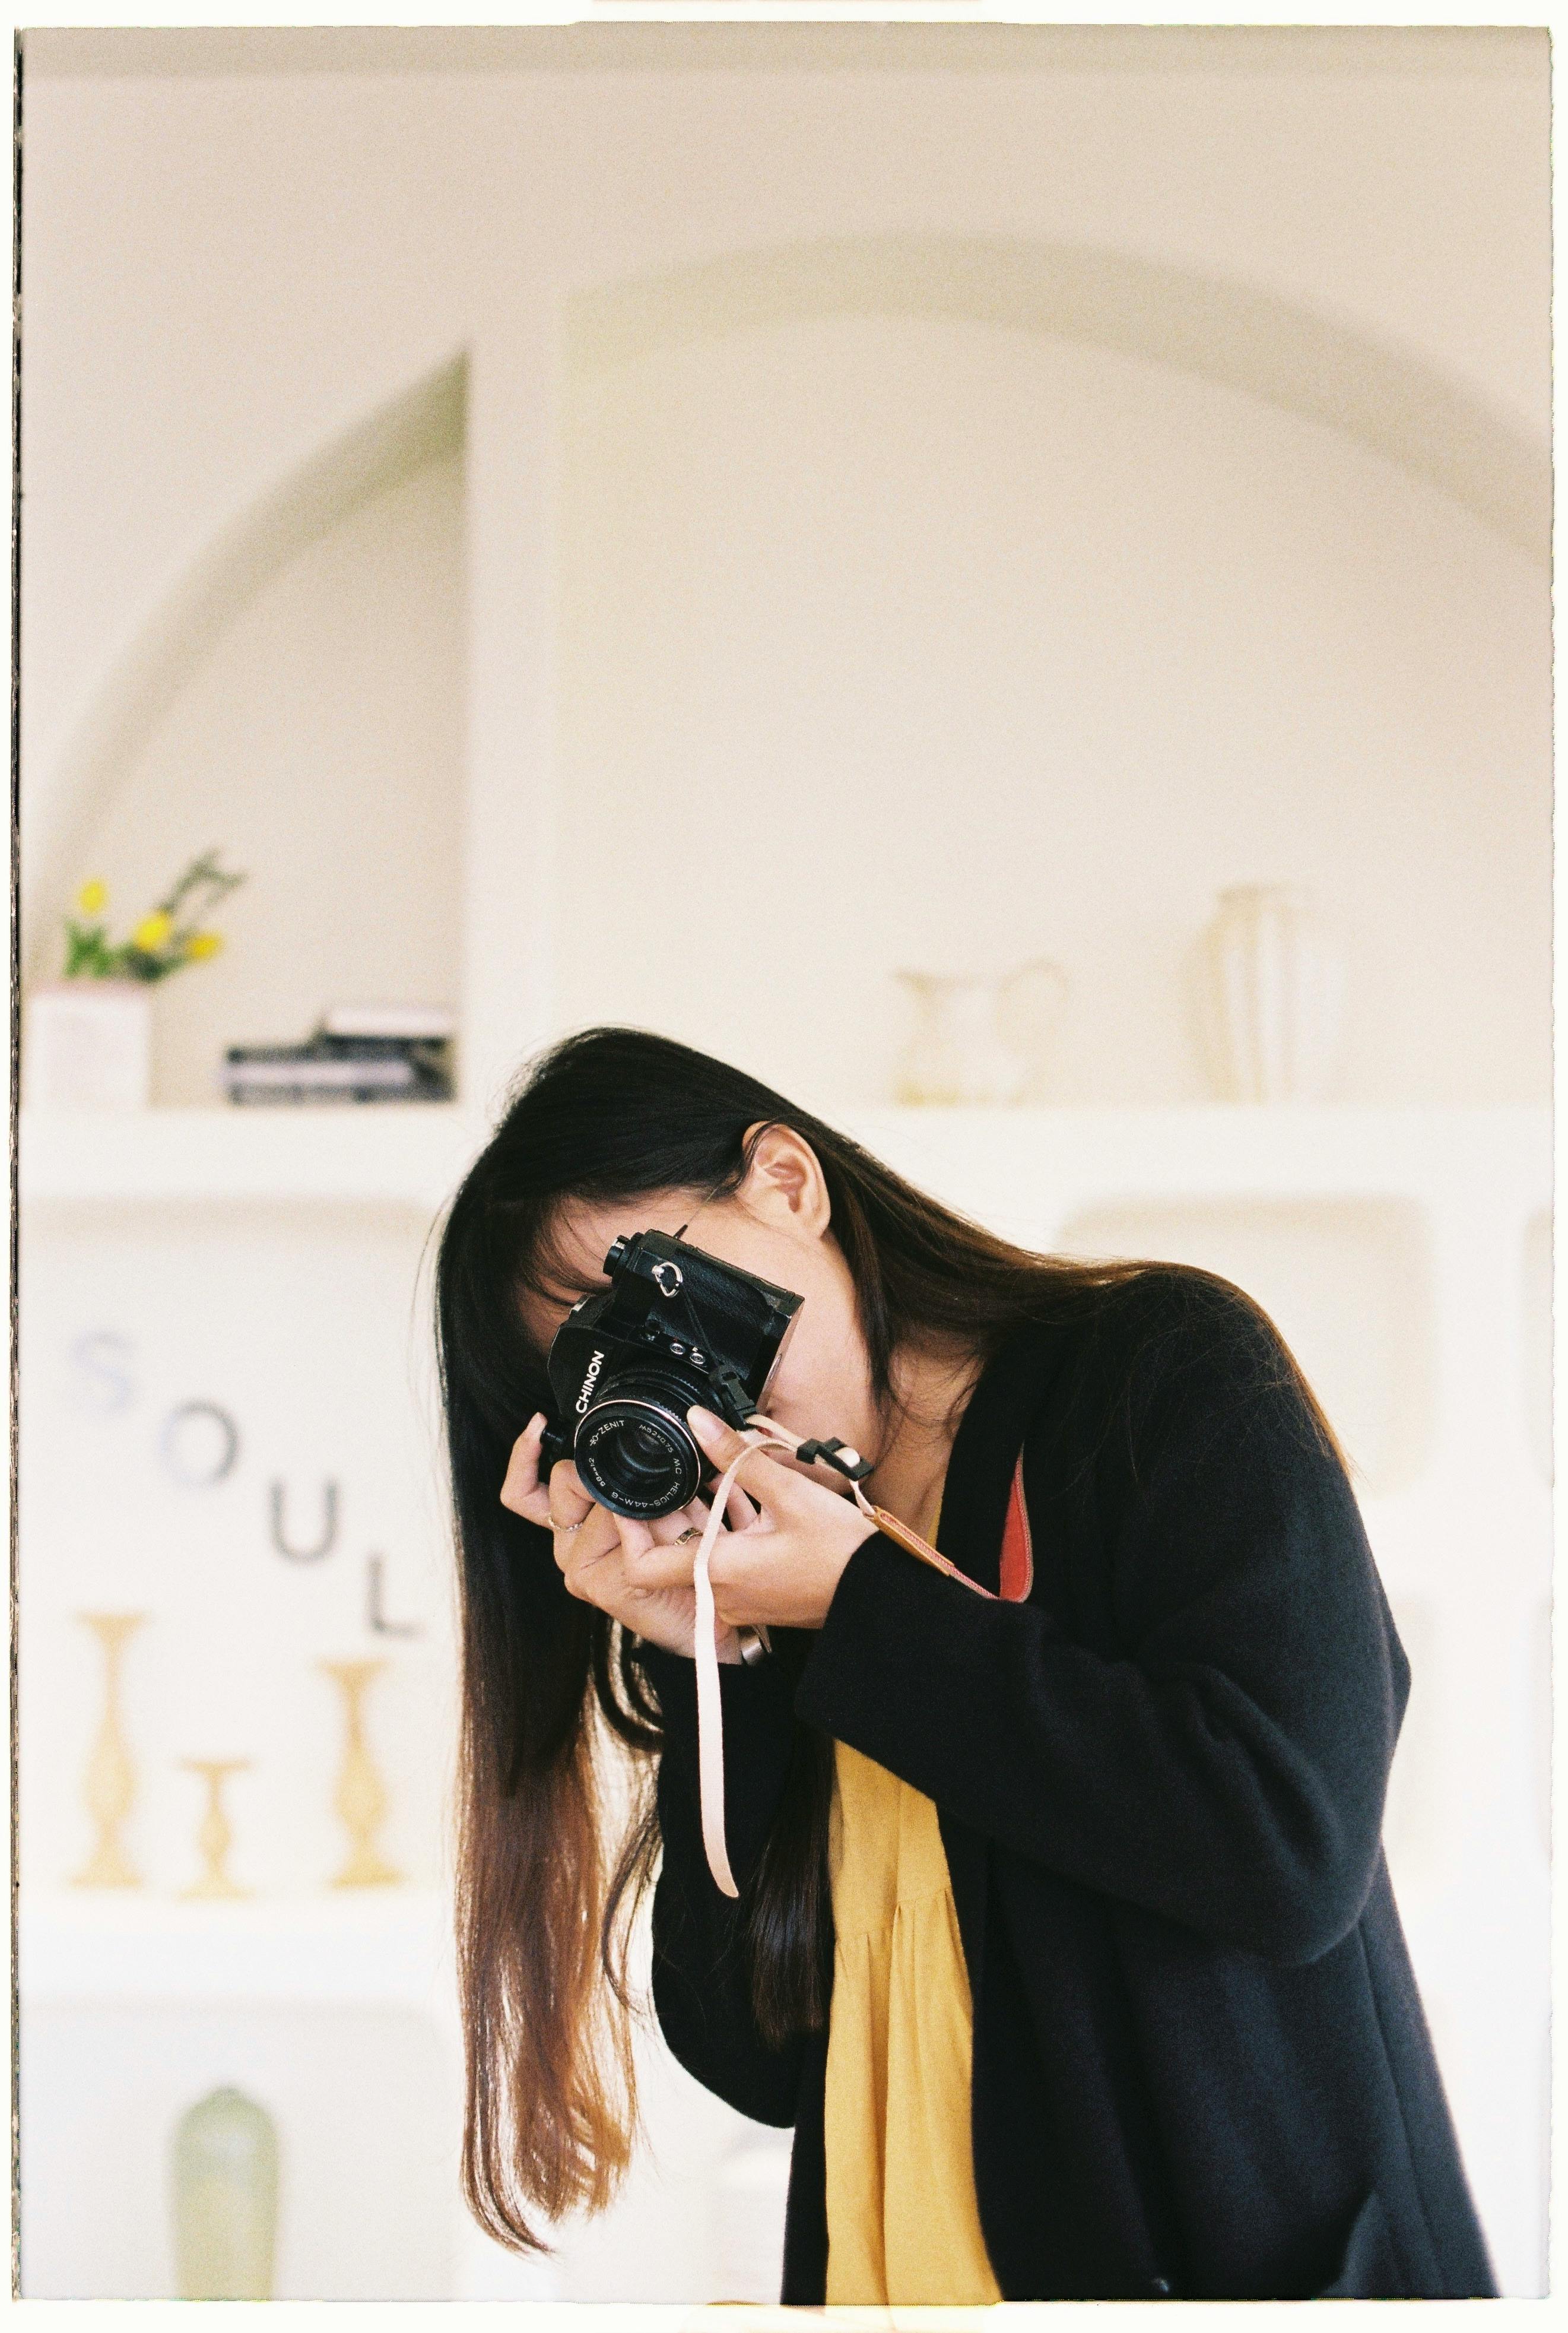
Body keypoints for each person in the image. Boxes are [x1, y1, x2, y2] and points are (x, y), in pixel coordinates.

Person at [433, 1024, 1496, 2303]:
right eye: (617, 1372)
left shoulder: (1154, 1368)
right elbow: (761, 2058)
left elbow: (1287, 1844)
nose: (694, 1388)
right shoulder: (776, 1562)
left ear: (786, 1179)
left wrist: (860, 1600)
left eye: (660, 1307)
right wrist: (720, 1654)